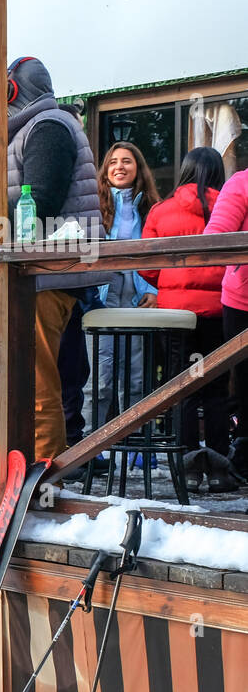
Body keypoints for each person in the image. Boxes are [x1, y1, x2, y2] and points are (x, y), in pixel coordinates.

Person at [3, 56, 108, 463]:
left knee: (36, 378)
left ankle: (43, 469)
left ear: (13, 91)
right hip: (44, 271)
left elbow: (39, 199)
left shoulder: (47, 127)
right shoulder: (44, 125)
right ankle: (36, 462)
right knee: (34, 374)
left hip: (48, 273)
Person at [141, 147, 228, 461]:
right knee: (217, 385)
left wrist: (169, 286)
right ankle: (219, 461)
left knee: (182, 384)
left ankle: (185, 460)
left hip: (175, 312)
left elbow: (145, 265)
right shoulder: (231, 207)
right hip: (220, 309)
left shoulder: (161, 210)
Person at [86, 140, 162, 431]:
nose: (120, 166)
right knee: (99, 379)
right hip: (101, 300)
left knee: (136, 379)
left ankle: (137, 446)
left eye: (127, 161)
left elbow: (160, 255)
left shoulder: (152, 207)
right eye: (114, 161)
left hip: (138, 301)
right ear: (105, 170)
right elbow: (84, 251)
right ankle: (91, 447)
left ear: (138, 168)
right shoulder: (93, 206)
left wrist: (154, 292)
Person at [202, 159, 248, 475]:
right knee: (245, 382)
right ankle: (244, 453)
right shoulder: (241, 183)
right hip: (243, 299)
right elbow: (214, 238)